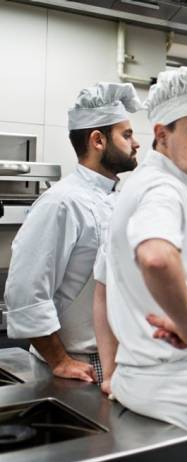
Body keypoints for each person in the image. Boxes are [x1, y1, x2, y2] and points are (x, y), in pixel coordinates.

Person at [92, 67, 187, 462]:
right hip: (180, 390)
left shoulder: (132, 187)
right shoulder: (163, 190)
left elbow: (102, 287)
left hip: (137, 384)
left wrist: (112, 371)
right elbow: (155, 256)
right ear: (162, 134)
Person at [5, 82, 140, 383]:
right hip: (78, 365)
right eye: (127, 134)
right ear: (98, 140)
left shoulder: (117, 198)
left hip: (117, 357)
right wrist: (60, 360)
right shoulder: (62, 202)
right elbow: (25, 291)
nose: (136, 143)